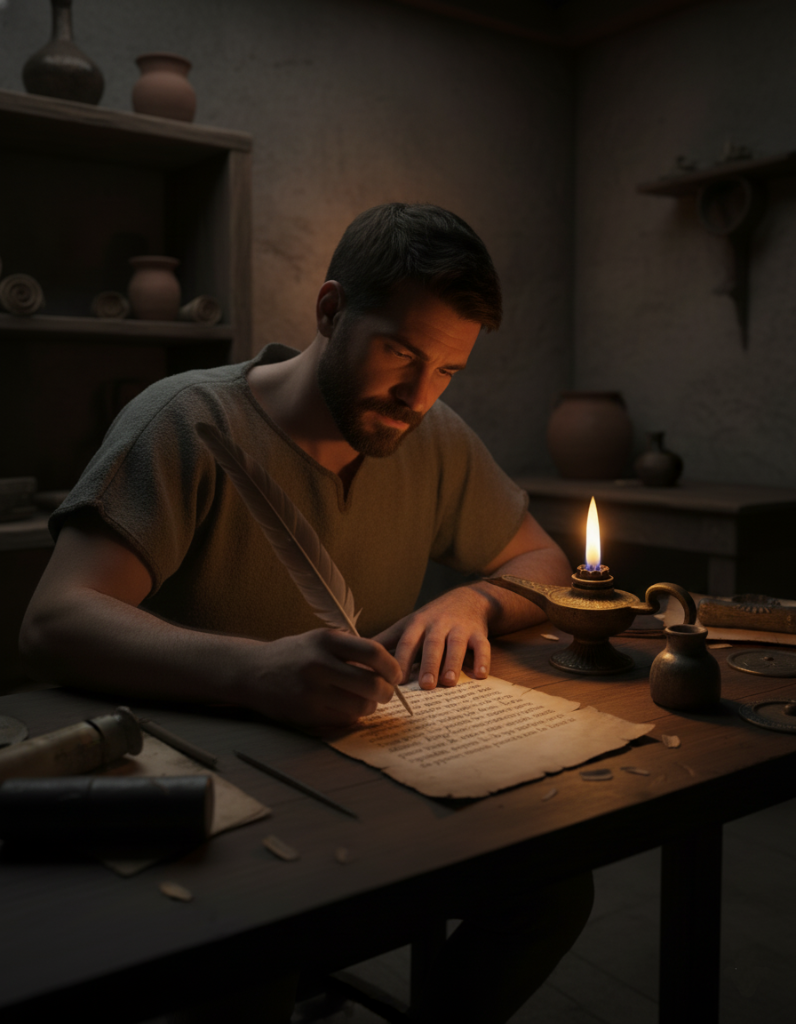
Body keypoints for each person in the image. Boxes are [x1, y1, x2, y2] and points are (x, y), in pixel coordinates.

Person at [20, 203, 592, 1022]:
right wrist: (253, 671)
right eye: (401, 351)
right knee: (257, 957)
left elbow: (542, 562)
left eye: (447, 372)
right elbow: (53, 623)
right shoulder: (184, 422)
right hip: (213, 798)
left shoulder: (434, 438)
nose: (417, 395)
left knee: (557, 888)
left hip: (371, 781)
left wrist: (475, 600)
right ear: (330, 310)